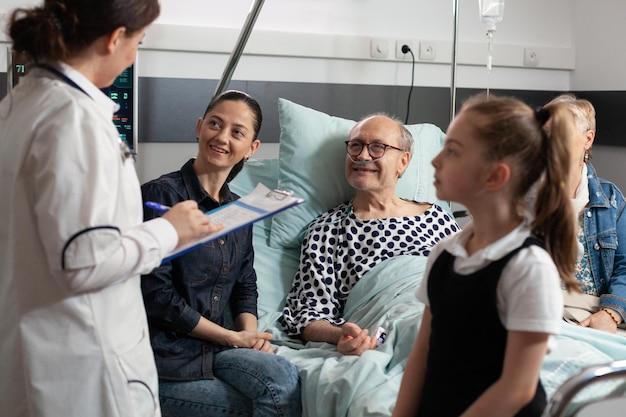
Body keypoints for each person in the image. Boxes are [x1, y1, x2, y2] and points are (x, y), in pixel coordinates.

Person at [0, 2, 223, 417]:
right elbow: (81, 262)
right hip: (84, 368)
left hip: (36, 353)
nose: (134, 54)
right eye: (139, 41)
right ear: (115, 38)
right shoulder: (74, 121)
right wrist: (169, 231)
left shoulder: (19, 106)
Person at [392, 95, 580, 417]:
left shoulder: (528, 267)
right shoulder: (445, 253)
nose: (435, 161)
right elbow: (422, 352)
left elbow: (517, 388)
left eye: (452, 151)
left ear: (495, 176)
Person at [141, 90, 302, 417]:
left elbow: (245, 283)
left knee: (283, 375)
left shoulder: (240, 211)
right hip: (164, 358)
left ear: (252, 148)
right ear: (199, 127)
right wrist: (231, 337)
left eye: (237, 132)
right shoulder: (161, 195)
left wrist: (249, 334)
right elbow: (157, 296)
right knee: (266, 399)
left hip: (214, 349)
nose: (222, 137)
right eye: (215, 124)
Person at [281, 113, 460, 356]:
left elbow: (473, 275)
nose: (363, 156)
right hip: (389, 324)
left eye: (378, 147)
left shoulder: (438, 217)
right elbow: (308, 316)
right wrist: (341, 334)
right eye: (356, 145)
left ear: (403, 162)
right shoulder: (327, 229)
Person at [545, 94, 626, 334]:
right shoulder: (524, 198)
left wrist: (611, 313)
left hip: (596, 311)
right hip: (543, 310)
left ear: (587, 139)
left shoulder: (611, 200)